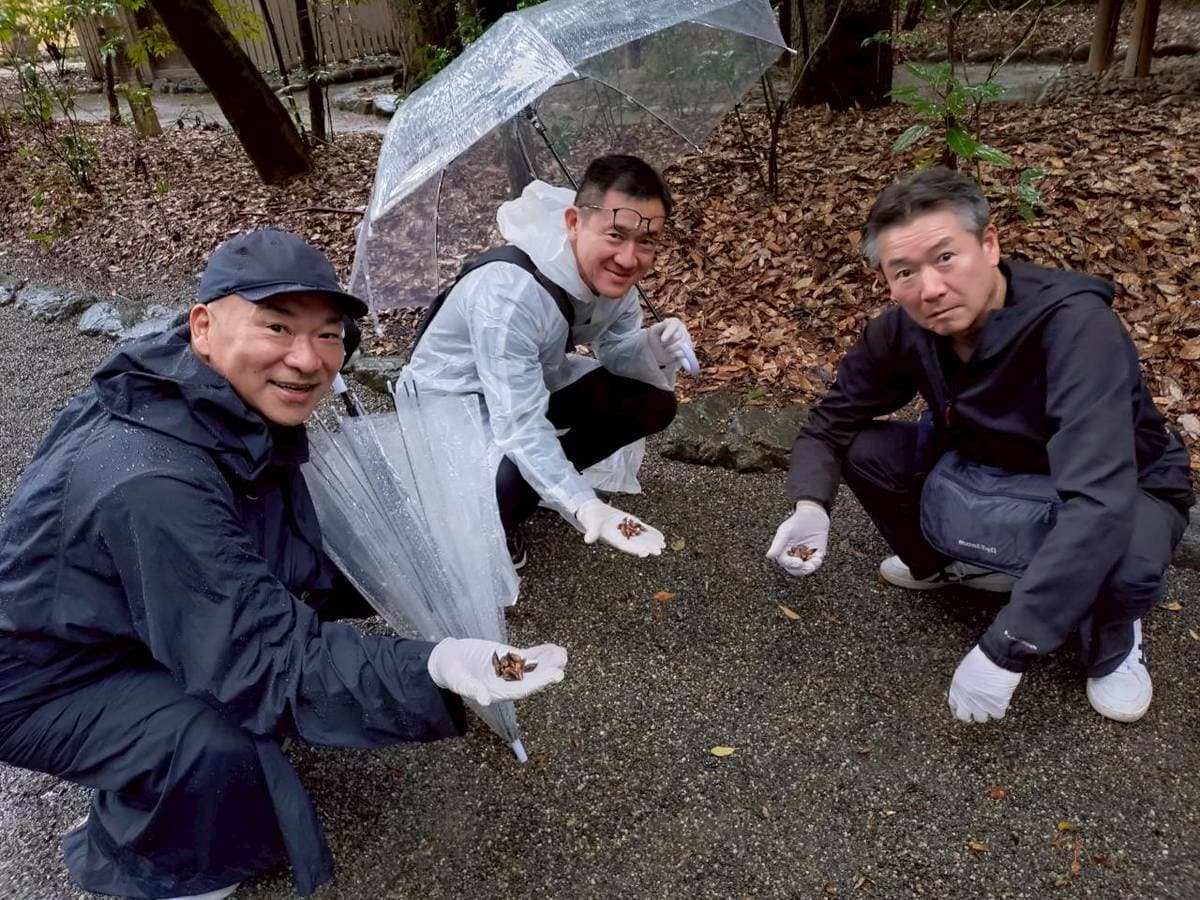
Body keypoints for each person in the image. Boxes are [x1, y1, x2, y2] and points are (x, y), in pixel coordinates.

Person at [0, 229, 568, 900]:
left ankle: (151, 740)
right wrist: (434, 666)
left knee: (305, 582)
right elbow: (262, 654)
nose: (307, 359)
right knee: (218, 739)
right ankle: (153, 861)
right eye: (276, 326)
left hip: (125, 614)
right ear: (203, 326)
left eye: (328, 334)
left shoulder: (193, 387)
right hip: (44, 679)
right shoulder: (153, 479)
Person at [767, 168, 1193, 724]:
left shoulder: (1076, 328)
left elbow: (1098, 499)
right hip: (990, 463)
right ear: (889, 282)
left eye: (945, 257)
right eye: (904, 272)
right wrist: (810, 505)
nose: (930, 289)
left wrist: (1006, 646)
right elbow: (829, 423)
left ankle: (1113, 639)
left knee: (1129, 559)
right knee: (864, 449)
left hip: (1119, 481)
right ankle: (947, 566)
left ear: (989, 245)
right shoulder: (903, 329)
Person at [406, 154, 698, 567]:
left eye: (646, 241)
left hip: (530, 381)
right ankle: (499, 513)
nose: (629, 259)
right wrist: (582, 503)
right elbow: (520, 423)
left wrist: (655, 346)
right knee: (511, 473)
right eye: (615, 235)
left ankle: (541, 482)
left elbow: (615, 352)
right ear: (574, 222)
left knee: (652, 402)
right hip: (454, 402)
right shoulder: (509, 295)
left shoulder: (615, 279)